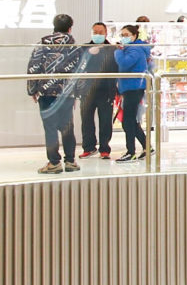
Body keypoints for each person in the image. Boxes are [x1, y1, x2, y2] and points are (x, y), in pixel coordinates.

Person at [27, 12, 85, 173]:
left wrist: (32, 89)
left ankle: (54, 162)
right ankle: (70, 161)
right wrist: (77, 92)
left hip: (46, 93)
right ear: (70, 28)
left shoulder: (42, 44)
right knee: (67, 127)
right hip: (66, 93)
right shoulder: (75, 47)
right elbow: (80, 70)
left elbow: (34, 67)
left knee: (50, 128)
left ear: (54, 26)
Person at [77, 22, 119, 158]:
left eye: (100, 32)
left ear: (106, 33)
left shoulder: (113, 49)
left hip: (106, 91)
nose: (98, 35)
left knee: (106, 121)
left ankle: (105, 149)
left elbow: (116, 69)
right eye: (95, 32)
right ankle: (89, 147)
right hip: (87, 91)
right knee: (86, 120)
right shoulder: (84, 48)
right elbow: (79, 67)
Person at [114, 24, 152, 160]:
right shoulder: (132, 48)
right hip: (130, 87)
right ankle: (147, 146)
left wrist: (118, 51)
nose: (123, 38)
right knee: (130, 120)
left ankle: (131, 152)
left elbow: (124, 64)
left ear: (134, 35)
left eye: (126, 35)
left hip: (133, 87)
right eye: (122, 35)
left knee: (128, 121)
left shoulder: (134, 50)